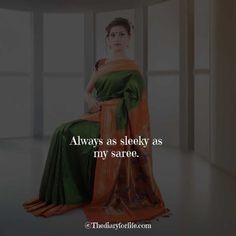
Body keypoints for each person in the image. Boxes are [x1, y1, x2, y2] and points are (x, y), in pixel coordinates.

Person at [23, 17, 170, 223]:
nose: (117, 38)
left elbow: (137, 104)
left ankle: (87, 191)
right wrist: (91, 100)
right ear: (107, 40)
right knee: (61, 131)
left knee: (70, 135)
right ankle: (62, 195)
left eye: (121, 34)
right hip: (98, 115)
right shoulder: (102, 65)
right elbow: (87, 91)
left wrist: (112, 108)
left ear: (129, 39)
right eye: (113, 35)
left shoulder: (133, 70)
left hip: (118, 122)